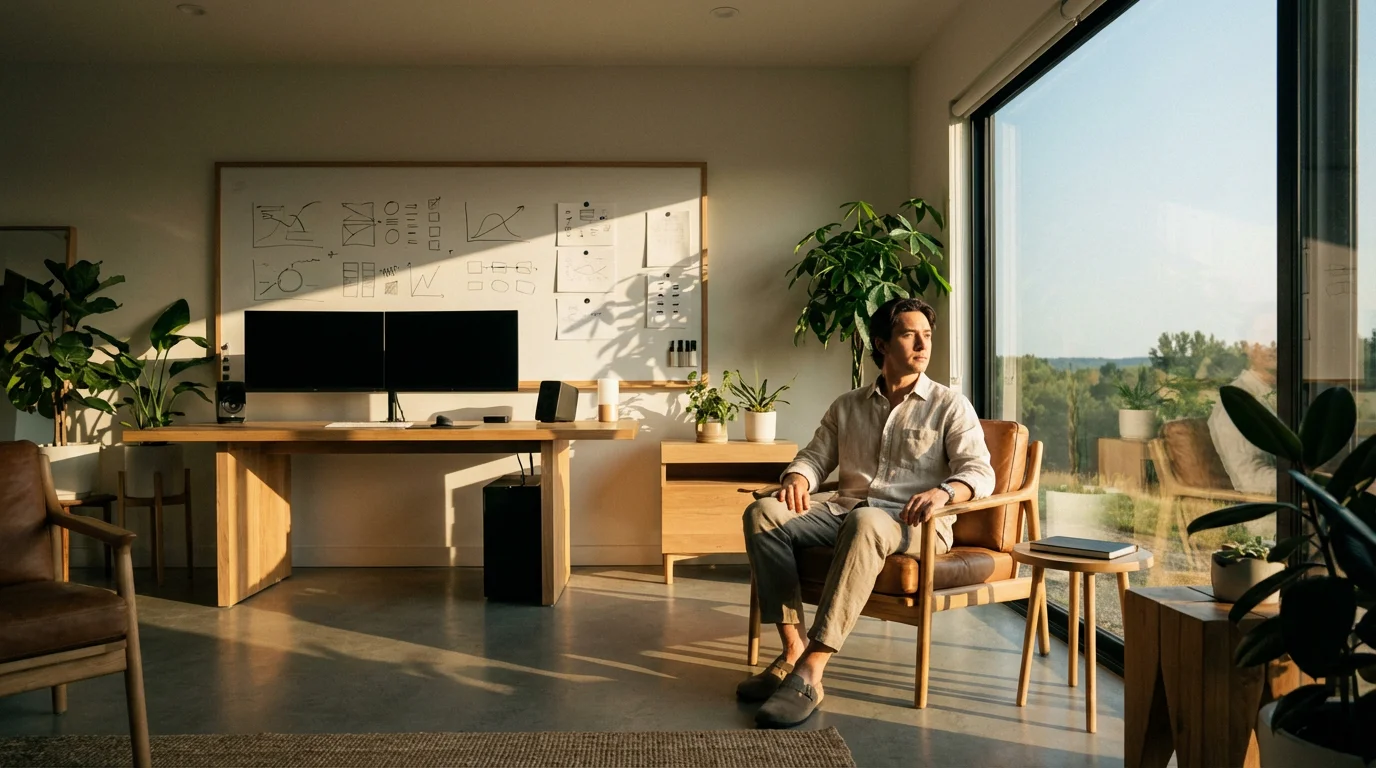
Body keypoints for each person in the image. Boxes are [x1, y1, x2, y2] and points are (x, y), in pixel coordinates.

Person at [739, 296, 995, 728]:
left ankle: (810, 673)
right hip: (847, 510)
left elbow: (979, 470)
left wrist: (945, 493)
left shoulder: (950, 405)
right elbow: (815, 457)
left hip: (915, 523)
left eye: (927, 335)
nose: (922, 344)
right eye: (909, 334)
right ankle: (791, 651)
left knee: (867, 520)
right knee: (763, 513)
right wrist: (797, 478)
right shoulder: (847, 405)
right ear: (880, 342)